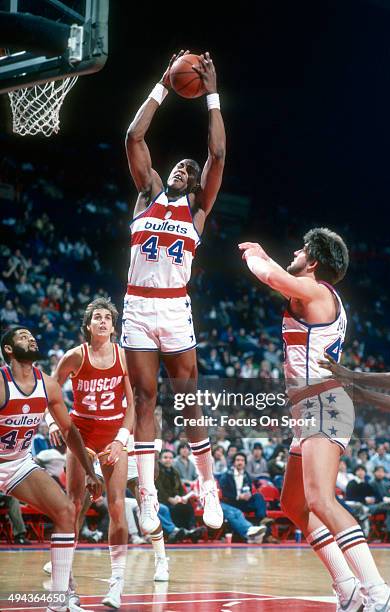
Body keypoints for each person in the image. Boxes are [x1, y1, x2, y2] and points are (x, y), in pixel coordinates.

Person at [239, 229, 390, 611]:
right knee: (294, 503)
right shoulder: (312, 295)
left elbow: (270, 276)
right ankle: (347, 588)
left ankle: (380, 594)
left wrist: (255, 252)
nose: (293, 251)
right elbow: (282, 280)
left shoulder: (315, 292)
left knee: (321, 500)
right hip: (309, 408)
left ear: (312, 261)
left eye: (300, 249)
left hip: (323, 403)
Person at [122, 49, 226, 534]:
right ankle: (145, 493)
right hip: (138, 307)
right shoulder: (148, 193)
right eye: (179, 166)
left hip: (174, 310)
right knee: (145, 400)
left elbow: (218, 154)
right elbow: (134, 136)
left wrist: (211, 94)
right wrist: (164, 83)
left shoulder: (198, 212)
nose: (184, 169)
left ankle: (208, 484)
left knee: (187, 402)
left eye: (191, 167)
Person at [0, 327, 101, 612]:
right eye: (22, 336)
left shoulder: (48, 385)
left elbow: (70, 432)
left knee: (67, 512)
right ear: (8, 349)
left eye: (31, 335)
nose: (30, 338)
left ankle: (57, 603)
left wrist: (90, 472)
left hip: (18, 463)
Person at [45, 298, 134, 609]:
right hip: (80, 433)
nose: (103, 322)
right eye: (97, 317)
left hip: (113, 434)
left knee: (118, 506)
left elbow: (134, 406)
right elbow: (50, 389)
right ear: (88, 325)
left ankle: (117, 586)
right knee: (73, 505)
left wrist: (122, 440)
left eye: (107, 318)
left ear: (113, 325)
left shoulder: (125, 357)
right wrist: (49, 421)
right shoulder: (74, 356)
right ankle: (66, 586)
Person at [220, 453, 268, 523]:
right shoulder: (227, 475)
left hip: (244, 503)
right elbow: (224, 493)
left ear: (245, 463)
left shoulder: (247, 475)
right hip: (232, 503)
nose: (240, 462)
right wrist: (238, 497)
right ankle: (259, 523)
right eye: (238, 460)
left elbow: (249, 490)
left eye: (242, 460)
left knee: (258, 496)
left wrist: (248, 495)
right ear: (234, 462)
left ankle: (262, 520)